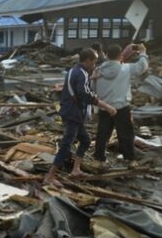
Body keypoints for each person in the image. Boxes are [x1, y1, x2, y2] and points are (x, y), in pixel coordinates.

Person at [44, 48, 117, 187]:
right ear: (88, 60)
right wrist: (107, 106)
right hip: (73, 114)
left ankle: (76, 170)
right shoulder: (82, 74)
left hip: (70, 112)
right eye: (94, 62)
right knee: (66, 145)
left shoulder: (73, 71)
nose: (95, 65)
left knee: (85, 140)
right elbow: (86, 95)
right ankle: (50, 176)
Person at [92, 43, 148, 168]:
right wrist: (143, 53)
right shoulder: (126, 68)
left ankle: (99, 160)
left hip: (105, 107)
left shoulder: (98, 70)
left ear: (106, 55)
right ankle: (130, 160)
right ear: (120, 55)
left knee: (102, 134)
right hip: (121, 107)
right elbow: (142, 67)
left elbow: (93, 90)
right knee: (126, 134)